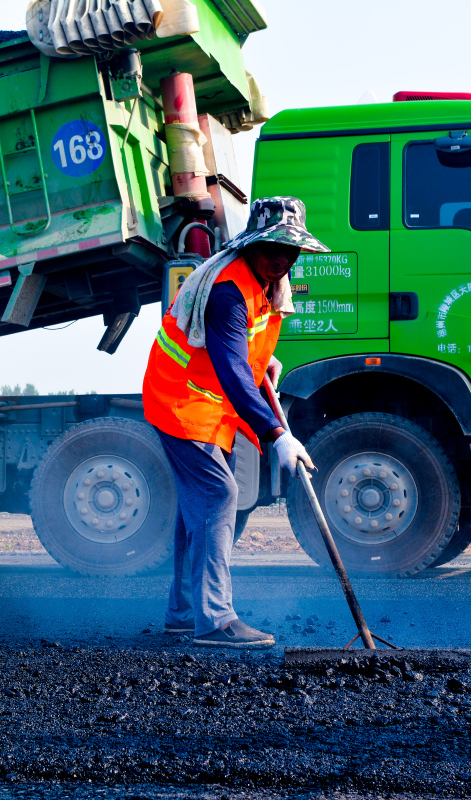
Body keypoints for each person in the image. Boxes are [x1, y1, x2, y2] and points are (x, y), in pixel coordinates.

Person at [142, 196, 329, 649]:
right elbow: (229, 370)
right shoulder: (228, 291)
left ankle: (184, 614)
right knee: (218, 494)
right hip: (181, 401)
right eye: (272, 248)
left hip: (208, 408)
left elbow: (243, 353)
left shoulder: (266, 284)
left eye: (290, 251)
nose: (281, 258)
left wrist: (264, 361)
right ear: (250, 245)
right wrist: (277, 434)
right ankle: (216, 620)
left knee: (199, 512)